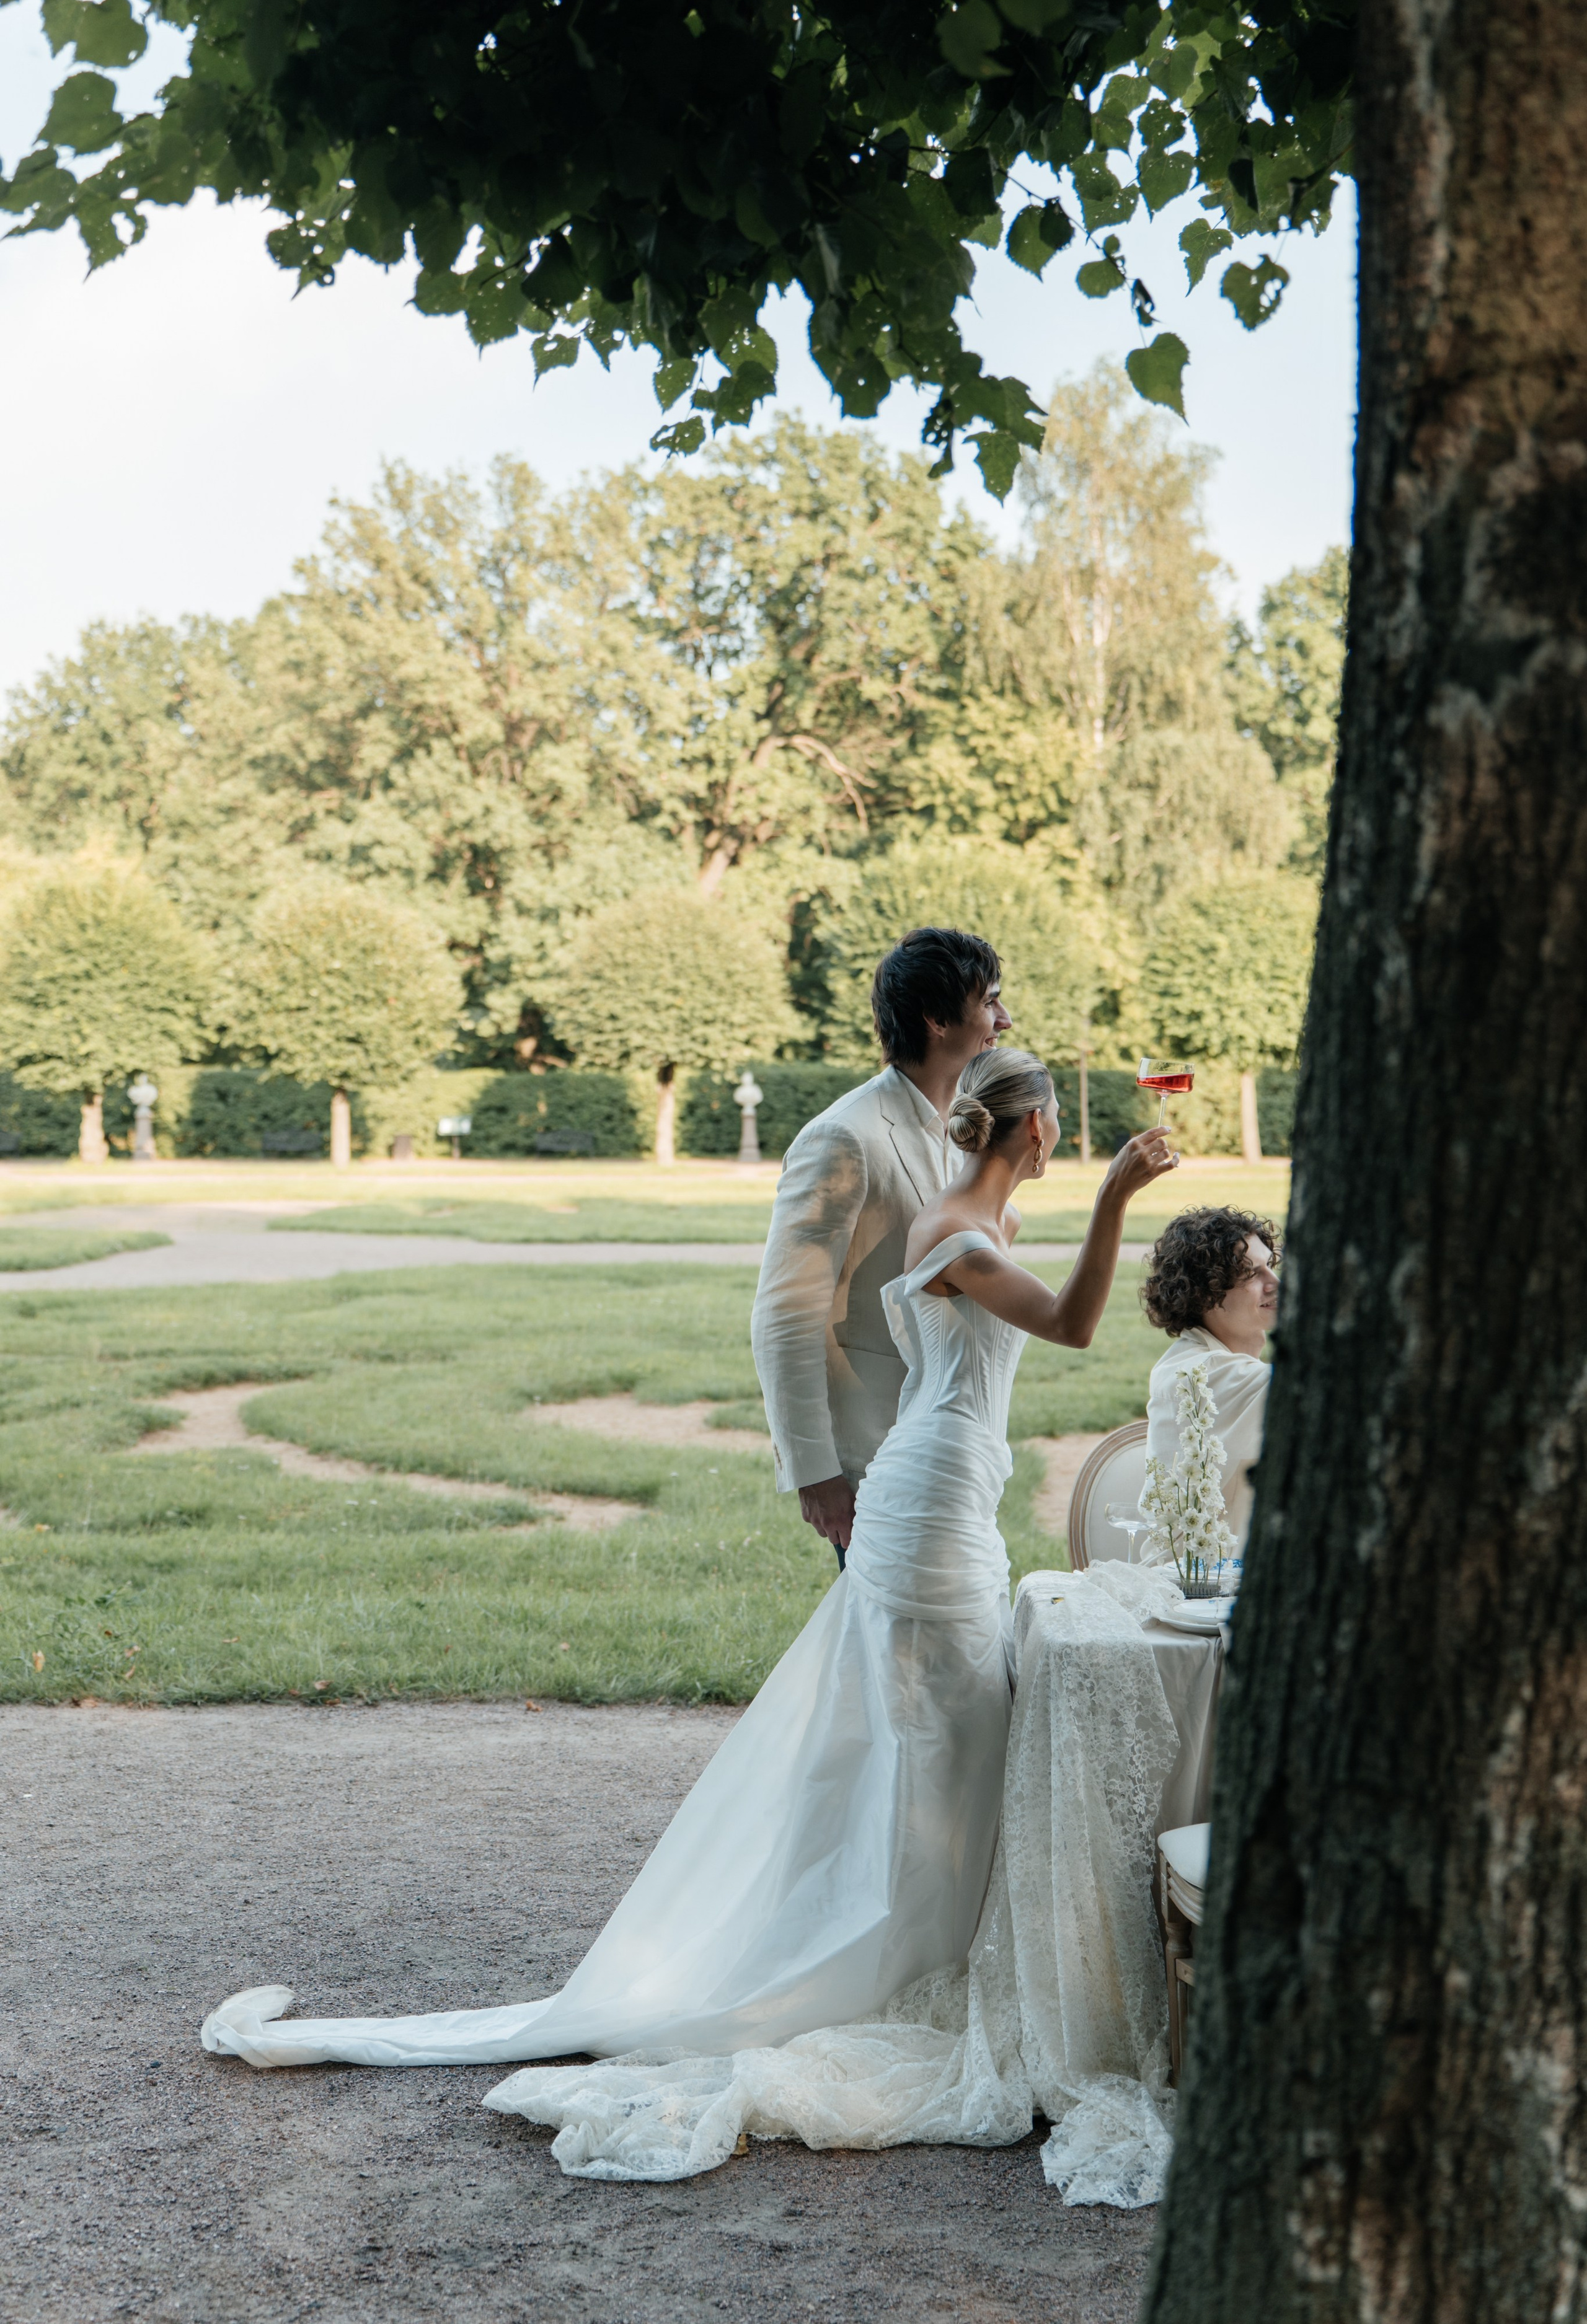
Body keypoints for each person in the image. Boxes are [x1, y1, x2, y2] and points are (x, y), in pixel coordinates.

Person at [200, 1047, 1178, 2181]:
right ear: (1041, 1134)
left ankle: (928, 1946)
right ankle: (887, 1965)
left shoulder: (968, 1223)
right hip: (927, 1514)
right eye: (1062, 1134)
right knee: (944, 1740)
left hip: (946, 1497)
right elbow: (1074, 1324)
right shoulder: (958, 1236)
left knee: (944, 1741)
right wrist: (1117, 1202)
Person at [751, 924, 1009, 1562]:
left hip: (950, 1441)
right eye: (989, 1001)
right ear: (935, 1020)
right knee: (887, 1652)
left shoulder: (964, 1129)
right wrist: (816, 1471)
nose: (1004, 1018)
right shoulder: (842, 1138)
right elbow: (785, 1314)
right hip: (875, 1453)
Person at [1140, 1207, 1280, 1554]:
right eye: (1251, 1274)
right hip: (1198, 1592)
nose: (1275, 1284)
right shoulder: (1202, 1373)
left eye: (1271, 1267)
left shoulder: (1202, 1359)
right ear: (1204, 1293)